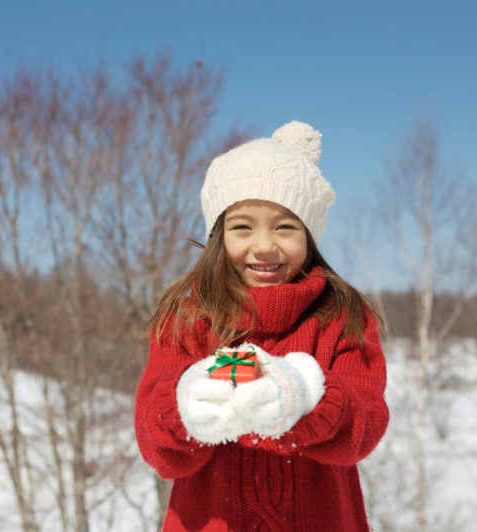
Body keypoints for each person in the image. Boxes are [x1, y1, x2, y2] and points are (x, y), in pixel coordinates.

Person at [134, 120, 389, 531]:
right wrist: (185, 404)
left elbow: (365, 428)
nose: (265, 244)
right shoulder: (186, 320)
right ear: (218, 236)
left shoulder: (342, 317)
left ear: (310, 236)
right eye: (242, 226)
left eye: (285, 226)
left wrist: (307, 397)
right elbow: (159, 451)